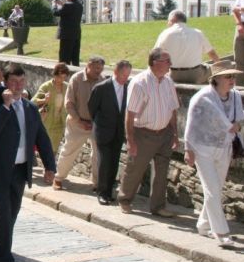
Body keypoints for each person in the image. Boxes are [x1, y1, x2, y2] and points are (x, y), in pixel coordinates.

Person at [0, 65, 56, 262]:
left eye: (21, 82)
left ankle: (1, 250)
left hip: (20, 170)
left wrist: (50, 165)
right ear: (5, 83)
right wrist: (5, 106)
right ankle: (5, 260)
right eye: (13, 82)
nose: (18, 87)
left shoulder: (30, 108)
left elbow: (41, 137)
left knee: (11, 214)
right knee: (4, 215)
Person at [184, 61, 244, 248]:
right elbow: (190, 125)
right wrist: (188, 149)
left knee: (216, 188)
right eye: (228, 76)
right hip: (202, 149)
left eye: (233, 76)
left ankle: (203, 224)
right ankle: (221, 232)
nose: (232, 80)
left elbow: (239, 119)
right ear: (216, 79)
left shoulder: (234, 96)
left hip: (224, 147)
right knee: (212, 189)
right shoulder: (202, 98)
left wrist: (237, 126)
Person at [117, 48, 180, 217]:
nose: (170, 64)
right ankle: (125, 200)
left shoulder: (168, 82)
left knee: (161, 171)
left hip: (164, 133)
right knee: (135, 169)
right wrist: (130, 141)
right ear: (155, 62)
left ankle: (158, 206)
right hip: (143, 133)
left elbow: (173, 110)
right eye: (167, 61)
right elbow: (129, 115)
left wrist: (175, 134)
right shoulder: (139, 82)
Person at [52, 56, 105, 191]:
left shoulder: (102, 81)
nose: (98, 71)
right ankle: (58, 178)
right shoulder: (76, 79)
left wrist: (96, 122)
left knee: (98, 154)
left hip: (95, 124)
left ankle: (98, 183)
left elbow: (104, 104)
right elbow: (69, 103)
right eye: (96, 68)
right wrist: (79, 121)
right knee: (69, 150)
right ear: (88, 65)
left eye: (101, 68)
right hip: (76, 122)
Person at [88, 60, 132, 205]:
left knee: (114, 162)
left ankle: (109, 192)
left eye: (128, 75)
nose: (125, 78)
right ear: (115, 72)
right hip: (103, 131)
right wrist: (100, 124)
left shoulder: (128, 88)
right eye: (123, 74)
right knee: (104, 162)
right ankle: (101, 192)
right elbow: (92, 108)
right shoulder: (101, 88)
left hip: (118, 132)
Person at [154, 9, 219, 84]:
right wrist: (222, 68)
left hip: (173, 75)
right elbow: (212, 53)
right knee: (212, 69)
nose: (167, 24)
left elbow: (154, 55)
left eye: (168, 21)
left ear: (172, 20)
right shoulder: (197, 33)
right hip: (195, 75)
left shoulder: (165, 33)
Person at [32, 62, 70, 154]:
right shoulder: (46, 86)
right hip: (47, 121)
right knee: (46, 148)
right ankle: (49, 166)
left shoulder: (67, 87)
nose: (61, 80)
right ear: (55, 74)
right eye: (59, 77)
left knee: (55, 149)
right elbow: (33, 101)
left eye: (64, 77)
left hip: (60, 122)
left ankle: (50, 167)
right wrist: (44, 100)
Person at [52, 0, 83, 66]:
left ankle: (64, 75)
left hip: (66, 35)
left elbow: (56, 13)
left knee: (64, 57)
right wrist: (62, 4)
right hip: (76, 34)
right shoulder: (79, 5)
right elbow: (69, 10)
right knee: (75, 56)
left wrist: (54, 5)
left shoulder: (67, 5)